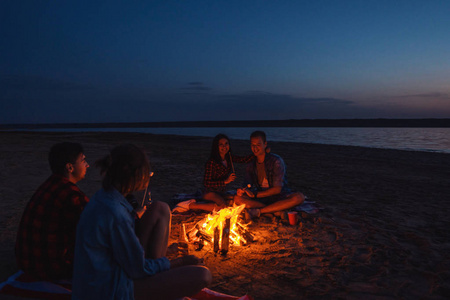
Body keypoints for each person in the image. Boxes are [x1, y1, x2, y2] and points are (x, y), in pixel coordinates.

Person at [72, 144, 211, 300]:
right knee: (202, 275)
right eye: (146, 171)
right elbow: (138, 269)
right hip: (110, 290)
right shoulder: (115, 213)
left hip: (108, 277)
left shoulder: (105, 197)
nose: (148, 175)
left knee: (161, 208)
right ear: (135, 174)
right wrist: (180, 262)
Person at [15, 142, 90, 280]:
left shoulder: (49, 185)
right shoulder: (71, 195)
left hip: (27, 264)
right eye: (83, 160)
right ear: (70, 167)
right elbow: (96, 229)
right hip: (53, 269)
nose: (87, 165)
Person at [173, 134, 254, 213]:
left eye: (226, 144)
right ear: (216, 147)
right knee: (222, 207)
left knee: (235, 200)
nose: (224, 147)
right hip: (209, 192)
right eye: (221, 145)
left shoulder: (228, 158)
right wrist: (225, 181)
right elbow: (206, 183)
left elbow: (244, 159)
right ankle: (191, 205)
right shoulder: (211, 162)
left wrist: (259, 152)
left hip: (221, 191)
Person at [234, 131, 305, 219]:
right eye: (253, 145)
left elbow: (277, 190)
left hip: (279, 196)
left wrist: (255, 195)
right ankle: (274, 210)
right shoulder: (251, 164)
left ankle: (260, 211)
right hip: (262, 198)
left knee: (299, 197)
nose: (255, 148)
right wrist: (243, 190)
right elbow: (247, 184)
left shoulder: (276, 161)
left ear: (265, 144)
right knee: (237, 199)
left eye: (258, 145)